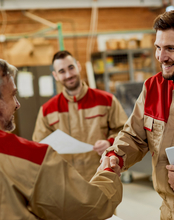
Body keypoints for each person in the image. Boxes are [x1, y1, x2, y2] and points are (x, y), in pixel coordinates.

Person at [0, 57, 122, 220]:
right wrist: (109, 172)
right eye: (12, 95)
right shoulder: (27, 156)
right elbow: (91, 206)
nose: (17, 104)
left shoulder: (106, 100)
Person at [104, 9, 174, 220]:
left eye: (170, 48)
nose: (160, 57)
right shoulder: (153, 87)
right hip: (167, 216)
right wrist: (117, 156)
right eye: (158, 48)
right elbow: (134, 136)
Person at [32, 50, 128, 181]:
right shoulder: (47, 110)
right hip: (66, 182)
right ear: (55, 76)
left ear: (78, 66)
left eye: (71, 68)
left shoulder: (106, 100)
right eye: (62, 71)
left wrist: (109, 142)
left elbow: (125, 132)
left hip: (102, 177)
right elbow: (39, 147)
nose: (68, 75)